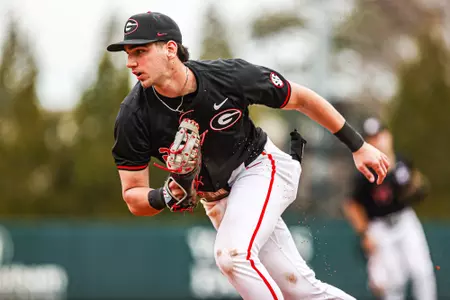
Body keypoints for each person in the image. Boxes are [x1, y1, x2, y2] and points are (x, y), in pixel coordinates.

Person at [107, 11, 389, 300]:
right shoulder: (134, 116)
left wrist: (358, 146)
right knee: (299, 290)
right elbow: (133, 195)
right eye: (128, 53)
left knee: (232, 256)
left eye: (140, 51)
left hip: (260, 167)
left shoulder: (227, 77)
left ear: (170, 49)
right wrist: (164, 195)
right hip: (218, 200)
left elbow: (302, 98)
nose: (131, 62)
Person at [342, 117, 437, 300]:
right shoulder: (364, 171)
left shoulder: (402, 162)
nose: (377, 141)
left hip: (405, 220)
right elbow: (351, 204)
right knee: (394, 282)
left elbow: (419, 185)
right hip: (380, 227)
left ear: (388, 136)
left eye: (379, 135)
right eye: (371, 138)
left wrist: (417, 185)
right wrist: (364, 233)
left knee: (422, 271)